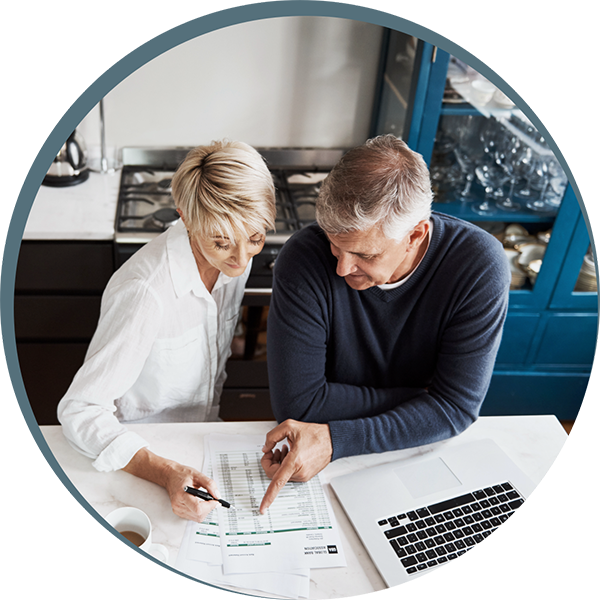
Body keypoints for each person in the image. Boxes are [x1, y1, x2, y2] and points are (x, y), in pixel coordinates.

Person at [260, 135, 510, 513]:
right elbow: (301, 407)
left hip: (420, 458)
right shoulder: (303, 258)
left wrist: (336, 438)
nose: (342, 268)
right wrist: (428, 402)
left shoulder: (478, 265)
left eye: (365, 253)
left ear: (415, 235)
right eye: (335, 245)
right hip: (327, 454)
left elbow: (456, 409)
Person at [58, 140, 276, 522]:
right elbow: (79, 410)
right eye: (222, 242)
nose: (242, 260)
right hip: (141, 461)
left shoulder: (228, 266)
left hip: (199, 441)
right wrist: (165, 472)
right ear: (186, 218)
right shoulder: (145, 293)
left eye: (255, 239)